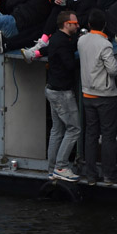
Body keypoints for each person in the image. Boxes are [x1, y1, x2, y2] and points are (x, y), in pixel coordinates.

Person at [77, 8, 117, 186]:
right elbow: (113, 71)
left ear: (88, 24)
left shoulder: (81, 41)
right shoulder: (105, 44)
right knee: (109, 136)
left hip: (87, 94)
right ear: (104, 25)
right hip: (105, 95)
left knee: (91, 135)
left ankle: (91, 175)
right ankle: (110, 175)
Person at [43, 10, 82, 182]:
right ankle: (61, 166)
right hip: (62, 93)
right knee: (74, 129)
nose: (78, 25)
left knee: (57, 130)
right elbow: (69, 65)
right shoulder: (62, 43)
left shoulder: (57, 39)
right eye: (75, 23)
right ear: (67, 24)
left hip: (52, 89)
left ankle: (52, 169)